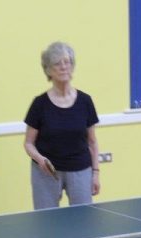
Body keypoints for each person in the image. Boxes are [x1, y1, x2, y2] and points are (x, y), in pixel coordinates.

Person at [23, 42, 100, 210]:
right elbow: (28, 143)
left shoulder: (85, 101)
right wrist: (39, 158)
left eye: (67, 62)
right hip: (46, 173)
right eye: (58, 63)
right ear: (48, 70)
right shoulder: (39, 104)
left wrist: (95, 173)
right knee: (46, 223)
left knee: (83, 221)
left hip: (80, 169)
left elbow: (92, 142)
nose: (64, 67)